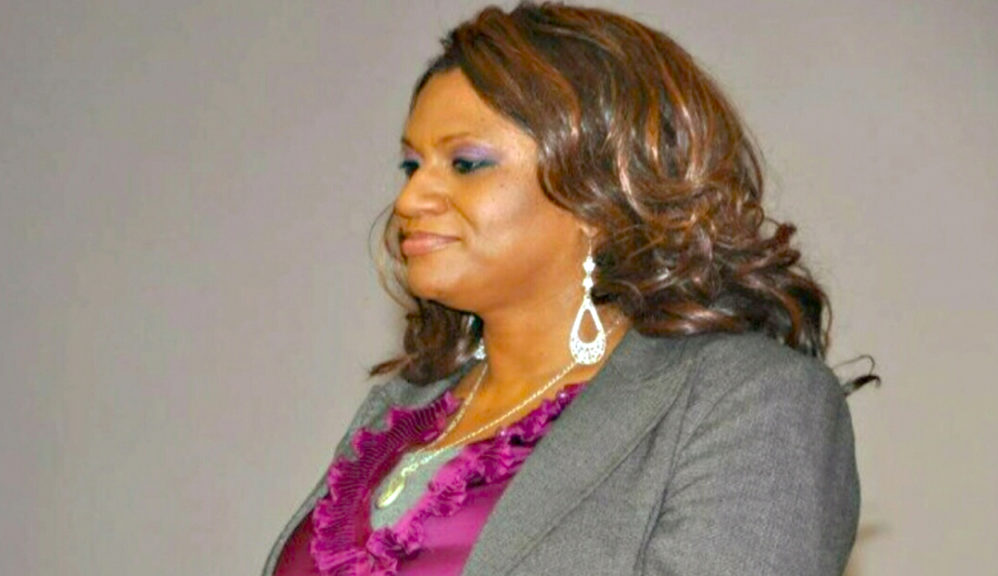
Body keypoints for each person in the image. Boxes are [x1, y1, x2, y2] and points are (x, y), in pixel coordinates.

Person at [264, 3, 875, 575]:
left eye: (466, 163)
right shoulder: (398, 410)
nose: (408, 199)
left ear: (599, 194)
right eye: (411, 165)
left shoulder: (745, 404)